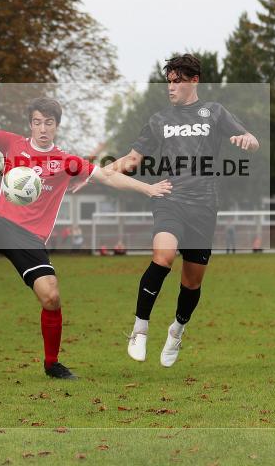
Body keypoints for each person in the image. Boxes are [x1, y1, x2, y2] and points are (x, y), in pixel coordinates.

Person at [0, 76, 172, 380]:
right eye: (37, 122)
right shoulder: (12, 144)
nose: (43, 128)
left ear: (56, 125)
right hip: (0, 222)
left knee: (51, 297)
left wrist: (147, 189)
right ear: (30, 125)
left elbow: (109, 177)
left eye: (48, 122)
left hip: (30, 240)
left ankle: (51, 363)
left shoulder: (65, 161)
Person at [90, 54, 259, 367]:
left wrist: (247, 140)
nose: (172, 87)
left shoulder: (215, 113)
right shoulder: (159, 120)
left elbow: (251, 138)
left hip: (205, 206)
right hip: (169, 199)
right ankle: (140, 328)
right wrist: (94, 172)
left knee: (192, 282)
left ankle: (177, 330)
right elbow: (130, 161)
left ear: (194, 81)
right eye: (169, 82)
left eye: (178, 81)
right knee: (163, 257)